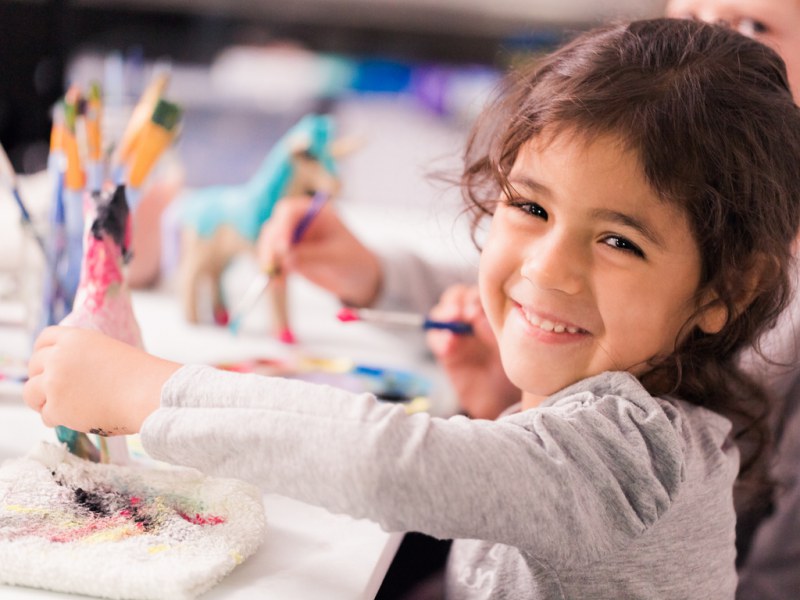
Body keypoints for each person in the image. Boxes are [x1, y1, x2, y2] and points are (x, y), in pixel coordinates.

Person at [24, 18, 800, 598]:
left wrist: (144, 391)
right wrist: (503, 405)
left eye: (620, 242)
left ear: (722, 292)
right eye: (530, 207)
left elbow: (386, 461)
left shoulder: (640, 461)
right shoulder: (606, 411)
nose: (548, 267)